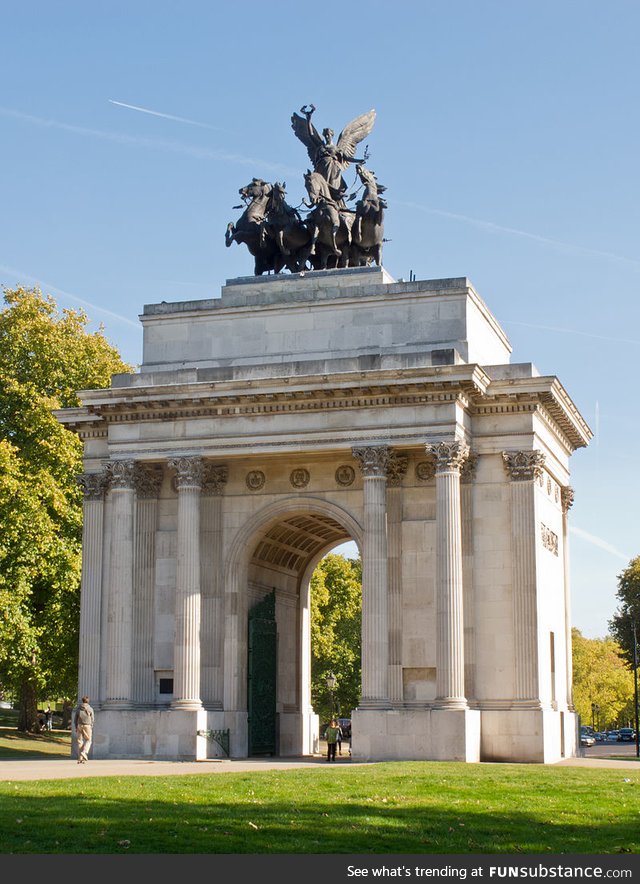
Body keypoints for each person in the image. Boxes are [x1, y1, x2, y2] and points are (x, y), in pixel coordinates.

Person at [74, 695, 94, 764]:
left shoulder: (78, 708)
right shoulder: (90, 709)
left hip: (79, 725)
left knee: (80, 741)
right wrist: (91, 726)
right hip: (87, 726)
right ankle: (84, 752)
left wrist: (76, 726)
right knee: (89, 740)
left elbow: (75, 719)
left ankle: (80, 758)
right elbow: (92, 719)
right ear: (88, 701)